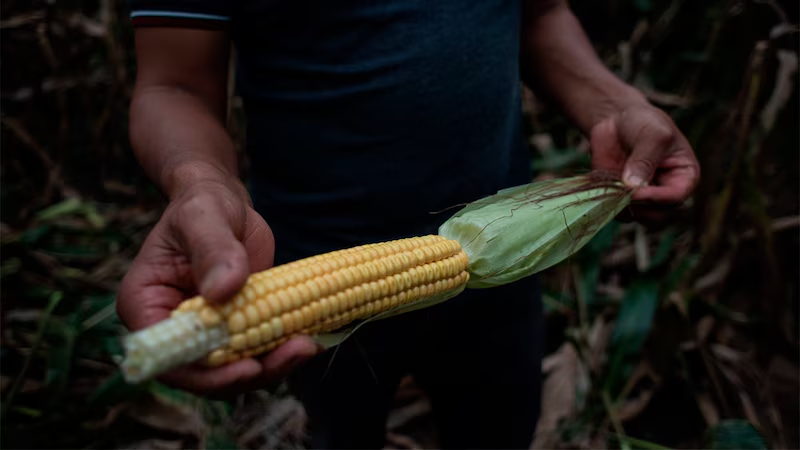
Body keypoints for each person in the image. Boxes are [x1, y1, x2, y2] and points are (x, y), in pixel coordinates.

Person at [116, 0, 700, 448]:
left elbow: (540, 11)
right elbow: (175, 85)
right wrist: (202, 182)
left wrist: (609, 106)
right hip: (305, 268)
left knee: (500, 431)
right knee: (340, 432)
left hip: (498, 264)